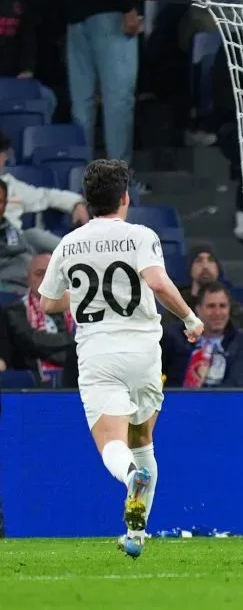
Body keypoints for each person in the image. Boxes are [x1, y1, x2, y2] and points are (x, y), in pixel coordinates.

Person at [35, 160, 203, 559]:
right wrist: (190, 318)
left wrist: (80, 294)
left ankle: (131, 477)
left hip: (99, 353)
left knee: (114, 443)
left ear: (87, 200)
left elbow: (47, 303)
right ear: (125, 198)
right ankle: (136, 534)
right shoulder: (140, 235)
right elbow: (157, 282)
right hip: (144, 353)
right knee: (142, 441)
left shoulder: (68, 244)